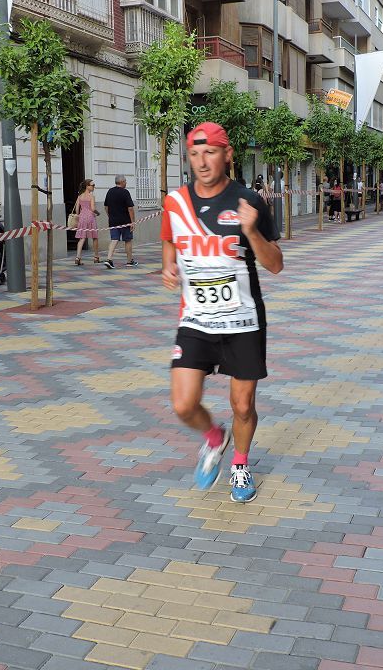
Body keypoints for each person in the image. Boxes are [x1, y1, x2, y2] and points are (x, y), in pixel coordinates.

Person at [162, 122, 283, 503]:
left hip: (243, 320)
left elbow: (276, 264)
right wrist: (168, 267)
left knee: (243, 404)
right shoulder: (175, 202)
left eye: (209, 152)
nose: (201, 161)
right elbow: (170, 240)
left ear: (227, 154)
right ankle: (215, 437)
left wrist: (251, 233)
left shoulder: (249, 202)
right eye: (194, 154)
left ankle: (240, 464)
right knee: (183, 404)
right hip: (196, 319)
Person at [104, 175, 137, 269]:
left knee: (114, 239)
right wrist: (132, 222)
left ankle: (108, 259)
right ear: (122, 182)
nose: (126, 183)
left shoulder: (110, 191)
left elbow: (106, 207)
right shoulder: (125, 192)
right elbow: (130, 208)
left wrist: (110, 216)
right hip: (125, 221)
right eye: (125, 181)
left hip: (113, 221)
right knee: (128, 240)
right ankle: (129, 261)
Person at [72, 179, 101, 265]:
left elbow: (77, 210)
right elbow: (92, 208)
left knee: (82, 237)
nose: (94, 187)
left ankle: (78, 257)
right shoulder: (91, 196)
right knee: (94, 237)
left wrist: (81, 214)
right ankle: (96, 257)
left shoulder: (79, 196)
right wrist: (98, 213)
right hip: (90, 217)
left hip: (82, 217)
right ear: (87, 186)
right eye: (92, 185)